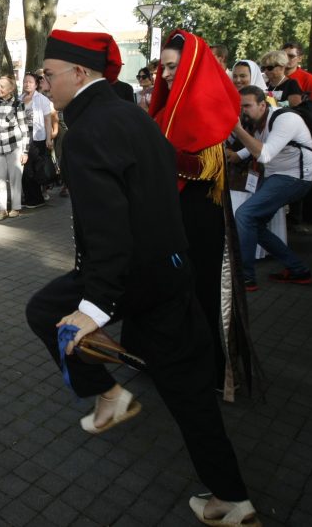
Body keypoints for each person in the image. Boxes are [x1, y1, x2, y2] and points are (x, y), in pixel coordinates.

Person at [27, 29, 258, 526]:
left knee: (47, 311)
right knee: (187, 392)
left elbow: (108, 230)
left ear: (79, 74)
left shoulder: (89, 131)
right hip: (170, 272)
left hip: (131, 275)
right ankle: (231, 499)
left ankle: (111, 394)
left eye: (48, 75)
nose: (44, 84)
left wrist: (93, 309)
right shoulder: (131, 114)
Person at [149, 30, 254, 395]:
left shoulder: (206, 104)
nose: (163, 74)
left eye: (171, 67)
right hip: (171, 214)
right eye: (162, 67)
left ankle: (210, 372)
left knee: (202, 290)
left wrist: (154, 152)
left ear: (191, 66)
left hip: (201, 217)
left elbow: (206, 168)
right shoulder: (165, 109)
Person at [230, 86, 312, 288]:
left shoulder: (285, 119)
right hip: (278, 175)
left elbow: (265, 153)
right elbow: (257, 144)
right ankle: (298, 269)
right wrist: (236, 155)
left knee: (245, 215)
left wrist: (238, 130)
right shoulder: (260, 121)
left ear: (263, 105)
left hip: (296, 176)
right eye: (240, 106)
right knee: (253, 223)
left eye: (247, 106)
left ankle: (246, 277)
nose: (243, 111)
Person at [0, 75, 28, 221]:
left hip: (15, 146)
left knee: (15, 178)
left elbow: (24, 129)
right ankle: (2, 210)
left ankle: (16, 208)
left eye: (2, 86)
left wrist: (25, 151)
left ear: (11, 88)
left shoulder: (18, 104)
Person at [21, 71, 54, 208]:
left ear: (36, 85)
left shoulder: (42, 99)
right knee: (24, 168)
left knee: (33, 168)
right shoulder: (19, 98)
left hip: (37, 137)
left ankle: (36, 199)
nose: (27, 84)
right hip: (22, 136)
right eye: (25, 82)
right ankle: (30, 197)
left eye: (30, 82)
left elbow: (48, 120)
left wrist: (49, 138)